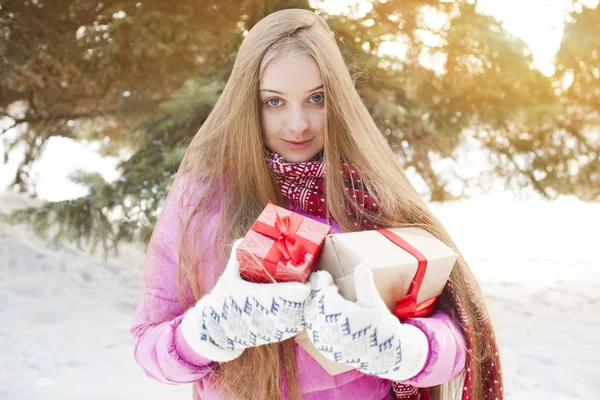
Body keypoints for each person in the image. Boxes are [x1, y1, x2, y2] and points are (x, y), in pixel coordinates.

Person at [131, 9, 502, 400]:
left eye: (316, 98)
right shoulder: (202, 200)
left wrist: (402, 350)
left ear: (338, 98)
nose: (298, 125)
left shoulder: (371, 192)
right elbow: (148, 344)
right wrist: (208, 330)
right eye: (274, 102)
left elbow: (458, 338)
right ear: (246, 103)